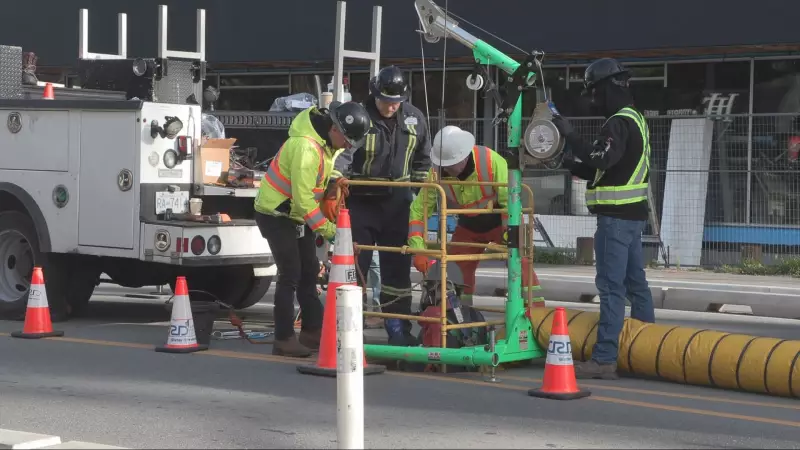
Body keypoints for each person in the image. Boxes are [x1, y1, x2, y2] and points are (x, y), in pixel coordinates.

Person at [550, 57, 656, 380]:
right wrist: (567, 162)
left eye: (595, 92)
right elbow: (605, 168)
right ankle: (649, 350)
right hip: (632, 219)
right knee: (636, 285)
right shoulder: (635, 119)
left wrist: (568, 134)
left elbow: (601, 157)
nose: (594, 99)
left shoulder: (617, 123)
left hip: (615, 221)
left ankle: (605, 357)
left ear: (608, 88)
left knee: (611, 288)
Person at [253, 101, 371, 357]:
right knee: (291, 273)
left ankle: (312, 331)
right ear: (336, 129)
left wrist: (333, 180)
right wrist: (333, 232)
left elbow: (317, 179)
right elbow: (304, 199)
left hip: (295, 214)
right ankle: (283, 338)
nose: (348, 147)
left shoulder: (326, 143)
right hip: (276, 213)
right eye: (348, 141)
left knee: (309, 271)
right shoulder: (306, 147)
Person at [330, 65, 431, 346]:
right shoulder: (358, 117)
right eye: (385, 101)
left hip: (398, 204)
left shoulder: (415, 118)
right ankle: (350, 331)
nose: (390, 107)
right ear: (375, 94)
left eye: (395, 102)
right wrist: (334, 188)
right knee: (354, 269)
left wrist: (417, 192)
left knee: (396, 271)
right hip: (360, 202)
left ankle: (398, 331)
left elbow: (423, 160)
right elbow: (342, 157)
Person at [407, 125, 543, 307]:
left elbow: (510, 200)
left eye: (449, 165)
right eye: (442, 165)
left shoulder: (491, 161)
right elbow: (418, 211)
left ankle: (537, 313)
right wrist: (419, 251)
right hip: (468, 224)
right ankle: (461, 315)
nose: (445, 170)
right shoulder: (437, 172)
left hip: (499, 221)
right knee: (457, 270)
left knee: (520, 263)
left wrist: (509, 232)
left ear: (463, 157)